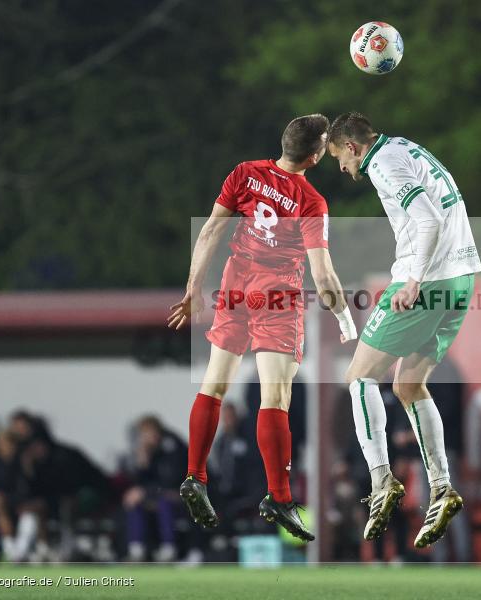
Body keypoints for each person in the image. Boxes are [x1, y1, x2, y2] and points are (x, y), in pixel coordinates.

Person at [168, 114, 358, 542]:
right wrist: (346, 320)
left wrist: (192, 290)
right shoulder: (311, 202)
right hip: (277, 297)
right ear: (313, 157)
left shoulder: (245, 173)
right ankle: (279, 496)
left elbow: (211, 230)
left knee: (213, 386)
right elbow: (324, 276)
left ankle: (195, 476)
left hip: (236, 285)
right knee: (276, 396)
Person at [327, 112, 481, 548]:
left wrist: (413, 279)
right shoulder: (406, 147)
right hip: (463, 278)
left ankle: (381, 480)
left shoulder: (383, 163)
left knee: (358, 377)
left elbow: (428, 219)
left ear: (353, 147)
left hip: (429, 278)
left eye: (339, 156)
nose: (341, 167)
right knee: (409, 386)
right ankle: (442, 486)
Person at [123, 416, 187, 562]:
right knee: (135, 503)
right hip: (156, 495)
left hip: (181, 494)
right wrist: (143, 463)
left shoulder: (172, 446)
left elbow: (171, 481)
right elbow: (140, 482)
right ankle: (136, 550)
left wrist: (145, 492)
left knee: (164, 503)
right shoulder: (149, 451)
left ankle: (169, 549)